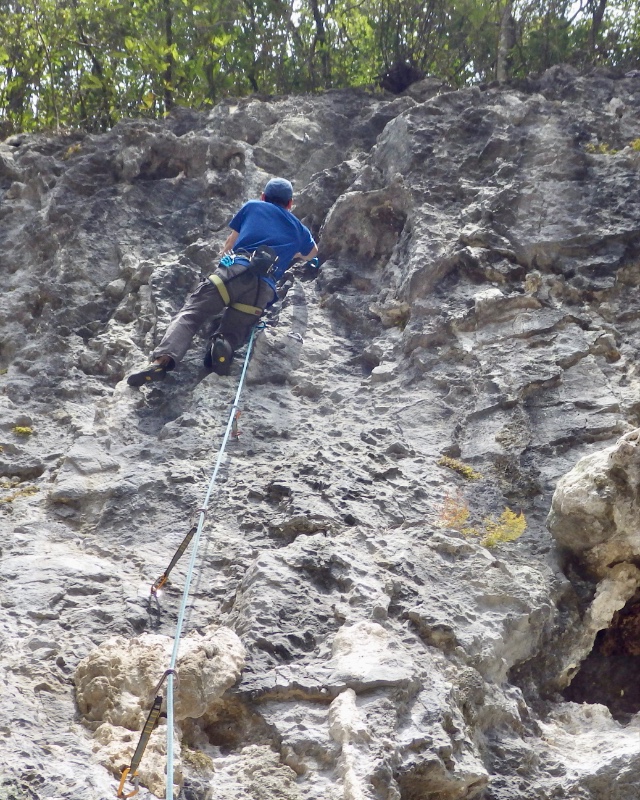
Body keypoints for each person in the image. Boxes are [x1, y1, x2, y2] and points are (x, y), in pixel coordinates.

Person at [127, 177, 318, 386]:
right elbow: (313, 253)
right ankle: (222, 344)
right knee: (234, 331)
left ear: (263, 196)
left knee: (191, 314)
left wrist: (225, 260)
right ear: (290, 204)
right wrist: (293, 252)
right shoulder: (300, 229)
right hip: (262, 290)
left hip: (234, 272)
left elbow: (230, 243)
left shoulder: (253, 207)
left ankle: (162, 361)